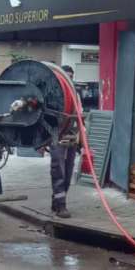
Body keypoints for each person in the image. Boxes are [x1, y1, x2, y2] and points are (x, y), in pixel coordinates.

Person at [49, 65, 78, 219]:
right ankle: (61, 206)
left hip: (72, 135)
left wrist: (82, 135)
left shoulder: (75, 94)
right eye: (66, 76)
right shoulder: (54, 95)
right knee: (58, 169)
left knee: (68, 171)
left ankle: (57, 199)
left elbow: (79, 113)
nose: (68, 80)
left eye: (71, 77)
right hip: (57, 134)